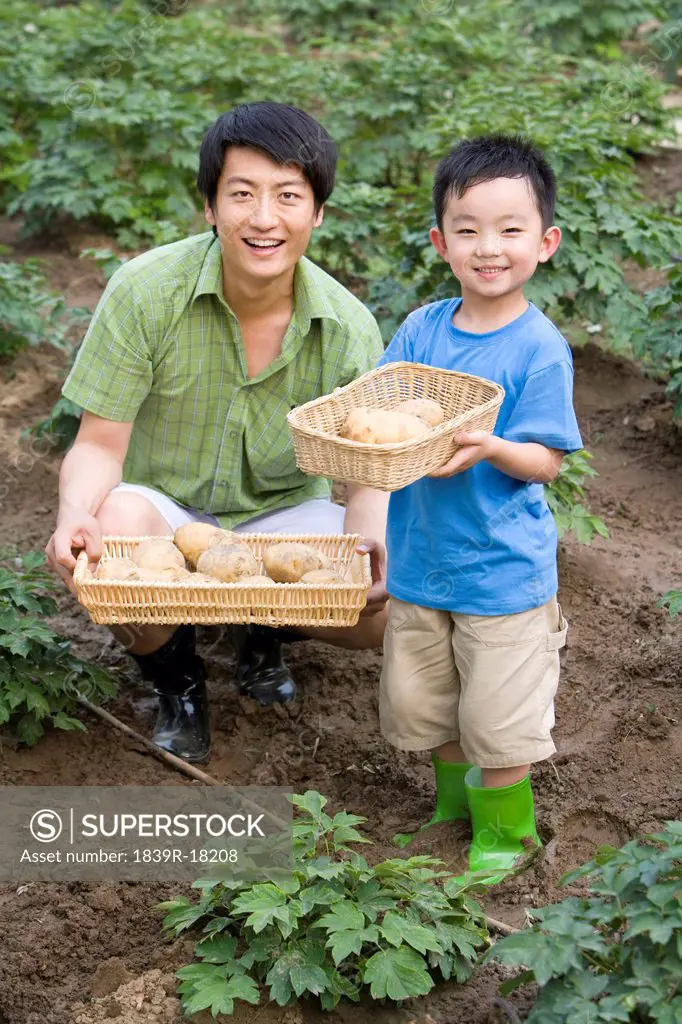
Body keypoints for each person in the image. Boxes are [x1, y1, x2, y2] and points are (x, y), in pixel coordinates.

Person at [46, 102, 389, 765]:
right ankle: (176, 676)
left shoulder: (347, 329)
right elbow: (97, 445)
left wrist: (373, 547)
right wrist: (71, 515)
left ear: (317, 212)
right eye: (242, 194)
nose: (264, 218)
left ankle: (265, 628)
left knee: (377, 603)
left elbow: (364, 478)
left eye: (288, 196)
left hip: (281, 514)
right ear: (209, 205)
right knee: (107, 537)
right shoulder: (146, 293)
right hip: (165, 510)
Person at [377, 134, 583, 884]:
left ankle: (504, 833)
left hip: (501, 573)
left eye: (509, 229)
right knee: (427, 701)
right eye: (467, 229)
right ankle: (452, 811)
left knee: (497, 716)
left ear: (545, 242)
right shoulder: (421, 330)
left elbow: (547, 461)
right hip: (422, 561)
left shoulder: (538, 349)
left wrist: (493, 445)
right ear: (441, 241)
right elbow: (384, 406)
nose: (487, 247)